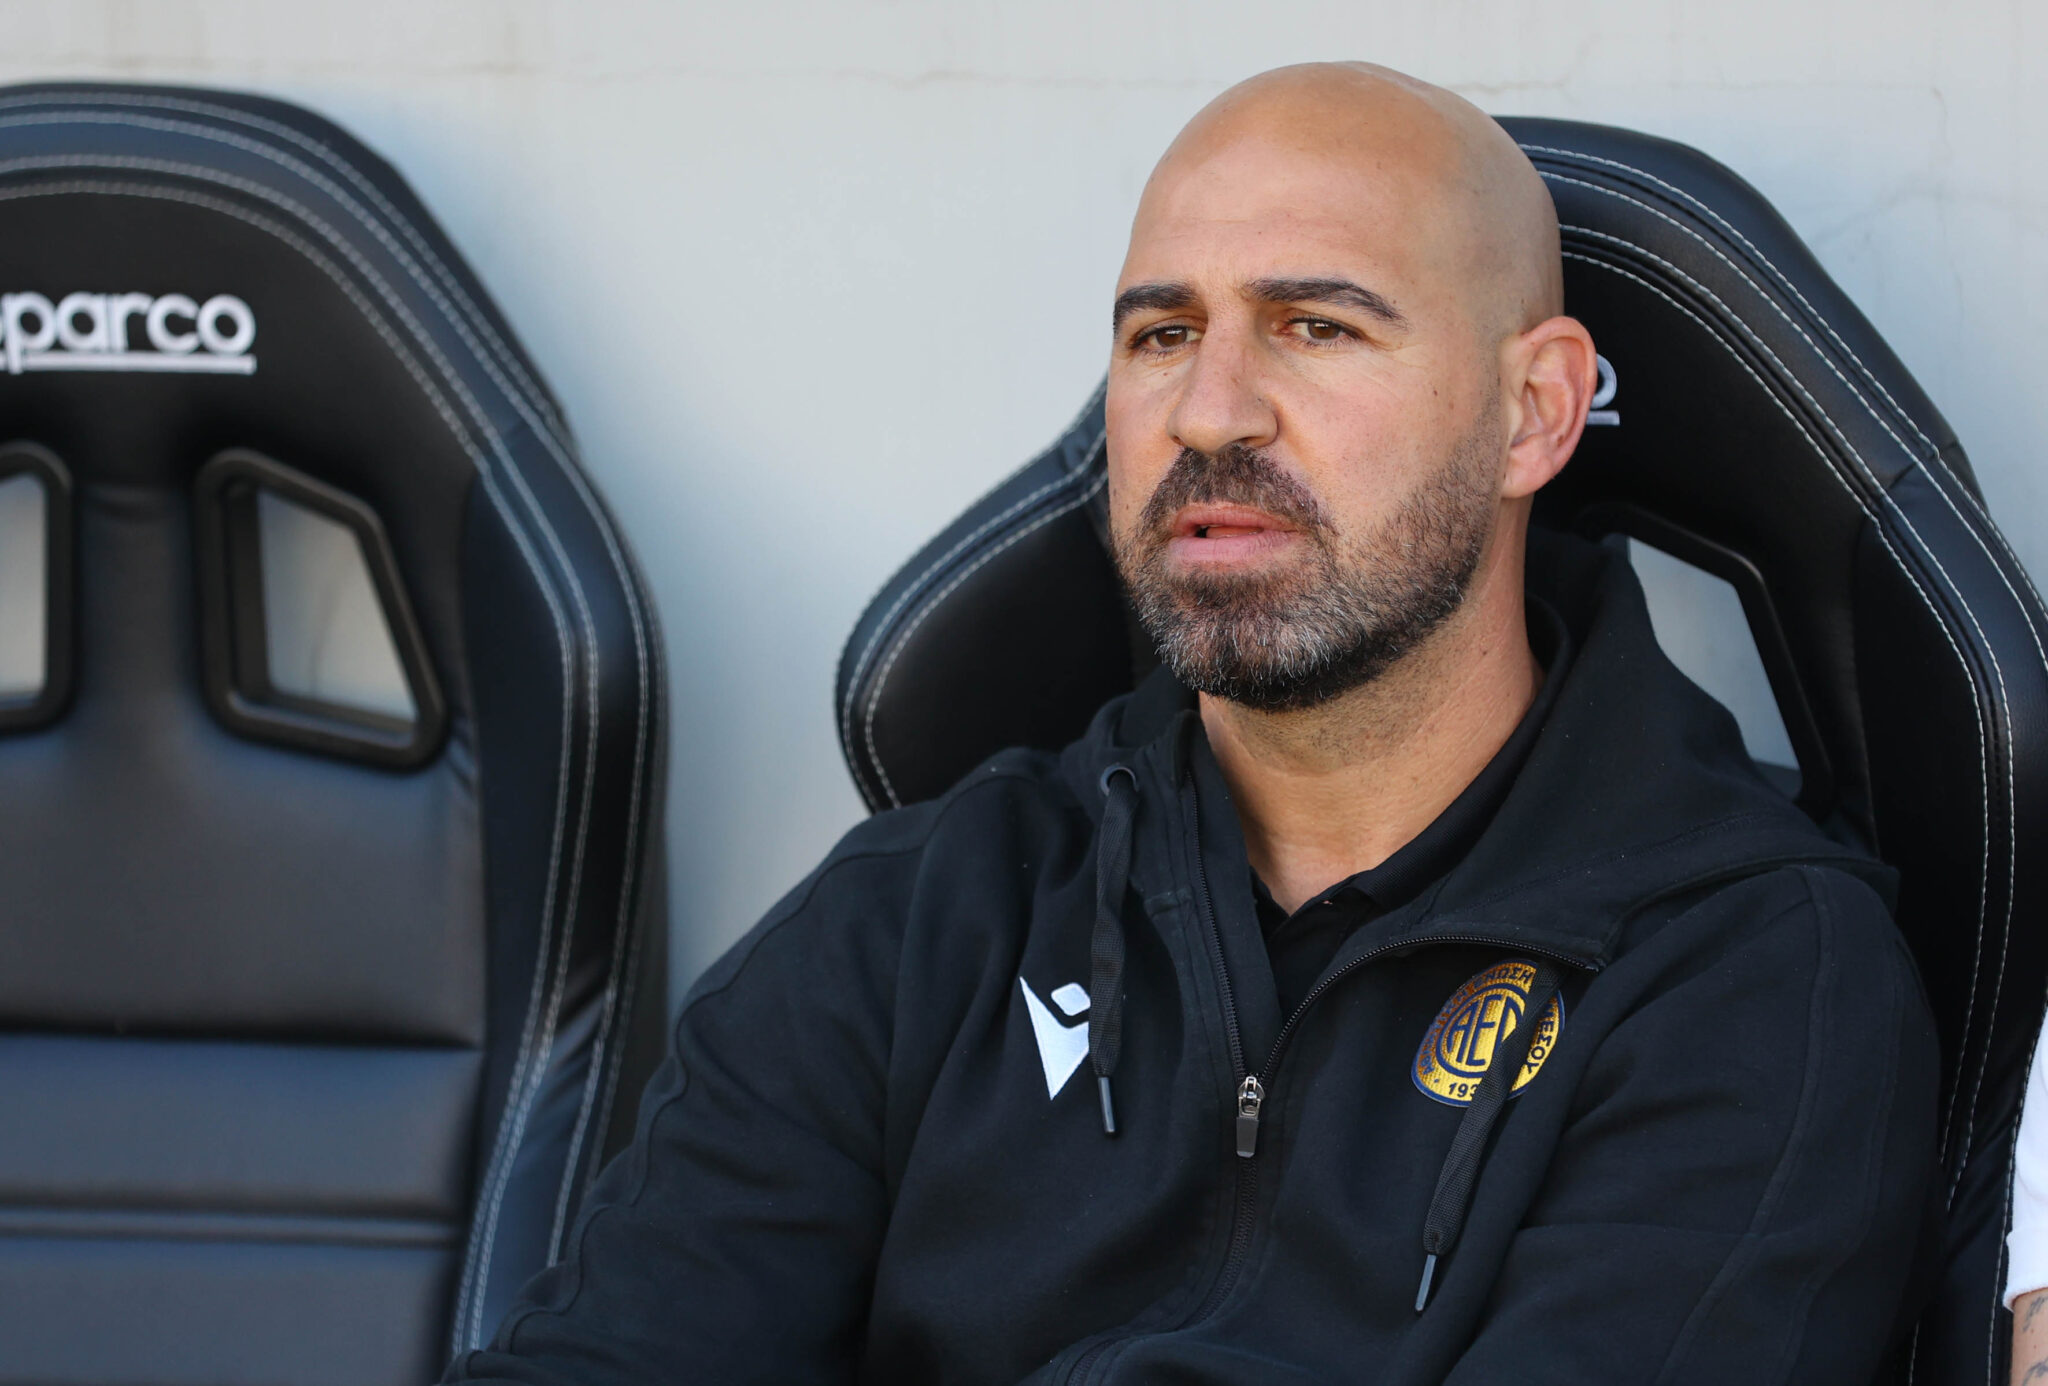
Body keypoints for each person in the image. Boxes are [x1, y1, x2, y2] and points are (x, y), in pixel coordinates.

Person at [448, 62, 1938, 1384]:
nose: (1211, 411)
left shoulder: (1749, 978)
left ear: (1534, 411)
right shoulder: (920, 917)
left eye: (1316, 326)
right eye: (1161, 335)